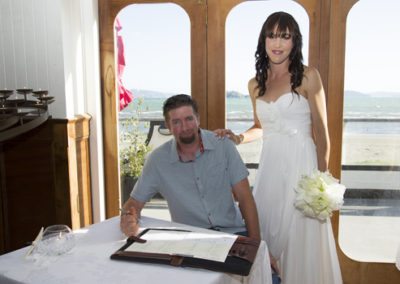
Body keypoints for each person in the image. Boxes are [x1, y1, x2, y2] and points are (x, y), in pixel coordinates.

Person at [214, 12, 342, 284]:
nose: (278, 42)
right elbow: (260, 127)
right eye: (272, 35)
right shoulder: (255, 84)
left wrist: (320, 184)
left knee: (302, 239)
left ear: (295, 42)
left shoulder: (309, 76)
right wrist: (238, 138)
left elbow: (322, 133)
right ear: (263, 40)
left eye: (285, 36)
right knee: (266, 231)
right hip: (271, 168)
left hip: (302, 170)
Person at [120, 94, 261, 242]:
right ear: (168, 126)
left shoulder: (223, 145)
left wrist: (256, 244)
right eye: (176, 122)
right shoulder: (157, 160)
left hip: (233, 234)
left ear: (198, 119)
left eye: (189, 119)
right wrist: (128, 217)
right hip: (189, 239)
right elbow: (134, 202)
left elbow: (245, 198)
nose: (185, 127)